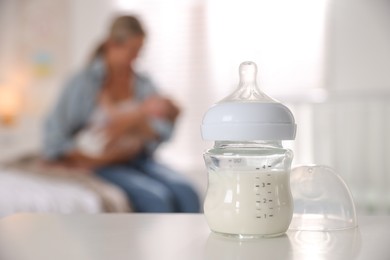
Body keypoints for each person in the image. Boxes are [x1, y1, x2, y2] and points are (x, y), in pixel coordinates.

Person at [43, 15, 200, 213]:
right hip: (103, 163)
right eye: (131, 51)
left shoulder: (143, 83)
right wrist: (85, 158)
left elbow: (165, 128)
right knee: (155, 198)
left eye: (139, 52)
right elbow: (54, 137)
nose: (135, 58)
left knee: (187, 191)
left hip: (140, 159)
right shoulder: (83, 83)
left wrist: (136, 123)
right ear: (111, 45)